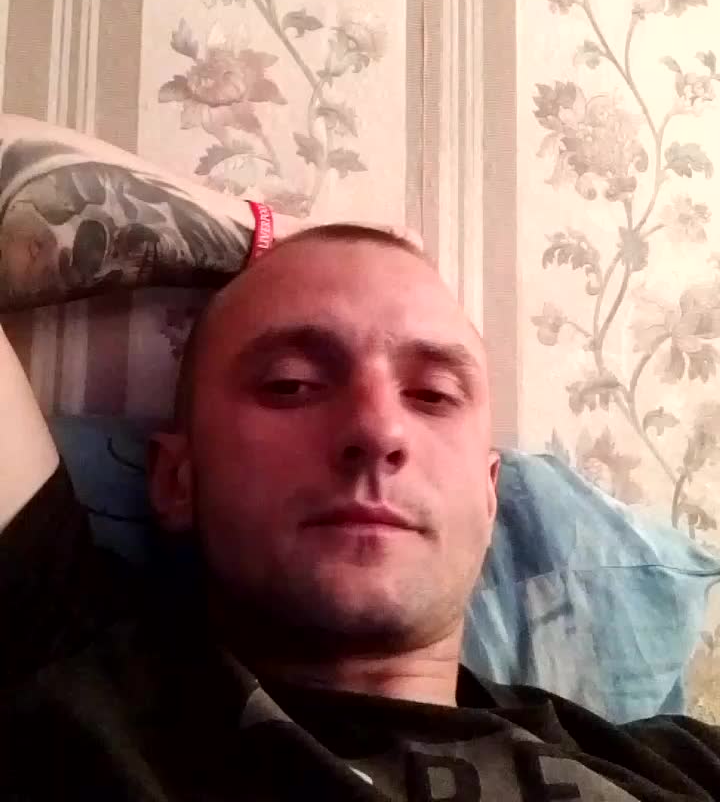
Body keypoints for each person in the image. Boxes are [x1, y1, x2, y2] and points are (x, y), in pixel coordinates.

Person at [1, 223, 720, 802]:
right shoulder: (65, 670)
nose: (378, 431)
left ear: (490, 494)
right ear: (176, 479)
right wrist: (265, 239)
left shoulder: (682, 766)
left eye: (433, 395)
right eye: (291, 384)